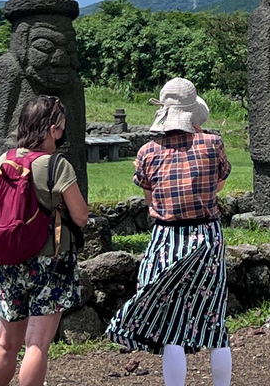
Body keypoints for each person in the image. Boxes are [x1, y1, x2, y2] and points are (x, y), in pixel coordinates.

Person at [106, 77, 232, 386]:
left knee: (169, 321)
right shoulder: (212, 144)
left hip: (166, 239)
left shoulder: (148, 152)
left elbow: (150, 199)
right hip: (207, 238)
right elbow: (217, 186)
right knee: (214, 319)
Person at [0, 95, 89, 386]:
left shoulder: (4, 159)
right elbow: (80, 216)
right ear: (53, 129)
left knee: (5, 343)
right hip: (50, 260)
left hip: (9, 257)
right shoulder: (56, 165)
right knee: (36, 344)